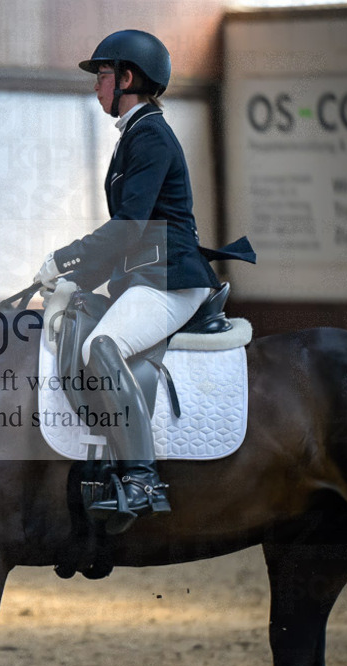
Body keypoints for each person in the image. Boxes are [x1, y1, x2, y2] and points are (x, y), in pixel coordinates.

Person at [34, 29, 255, 534]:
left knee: (103, 345)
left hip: (171, 280)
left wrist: (65, 260)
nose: (97, 87)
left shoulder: (150, 135)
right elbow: (128, 237)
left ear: (128, 78)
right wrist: (77, 281)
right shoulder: (136, 133)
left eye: (104, 75)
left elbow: (130, 225)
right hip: (144, 277)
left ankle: (141, 477)